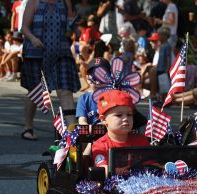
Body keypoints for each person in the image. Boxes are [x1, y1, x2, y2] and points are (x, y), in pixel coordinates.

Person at [21, 0, 80, 140]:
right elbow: (24, 28)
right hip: (37, 53)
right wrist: (32, 38)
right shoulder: (33, 2)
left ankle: (72, 131)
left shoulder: (65, 2)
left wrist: (75, 27)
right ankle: (28, 127)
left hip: (61, 52)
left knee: (65, 90)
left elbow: (71, 25)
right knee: (36, 91)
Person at [92, 90, 150, 175]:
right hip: (112, 186)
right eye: (119, 115)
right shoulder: (100, 145)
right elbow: (103, 169)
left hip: (143, 184)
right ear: (104, 119)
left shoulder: (141, 140)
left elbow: (152, 164)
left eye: (129, 115)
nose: (126, 118)